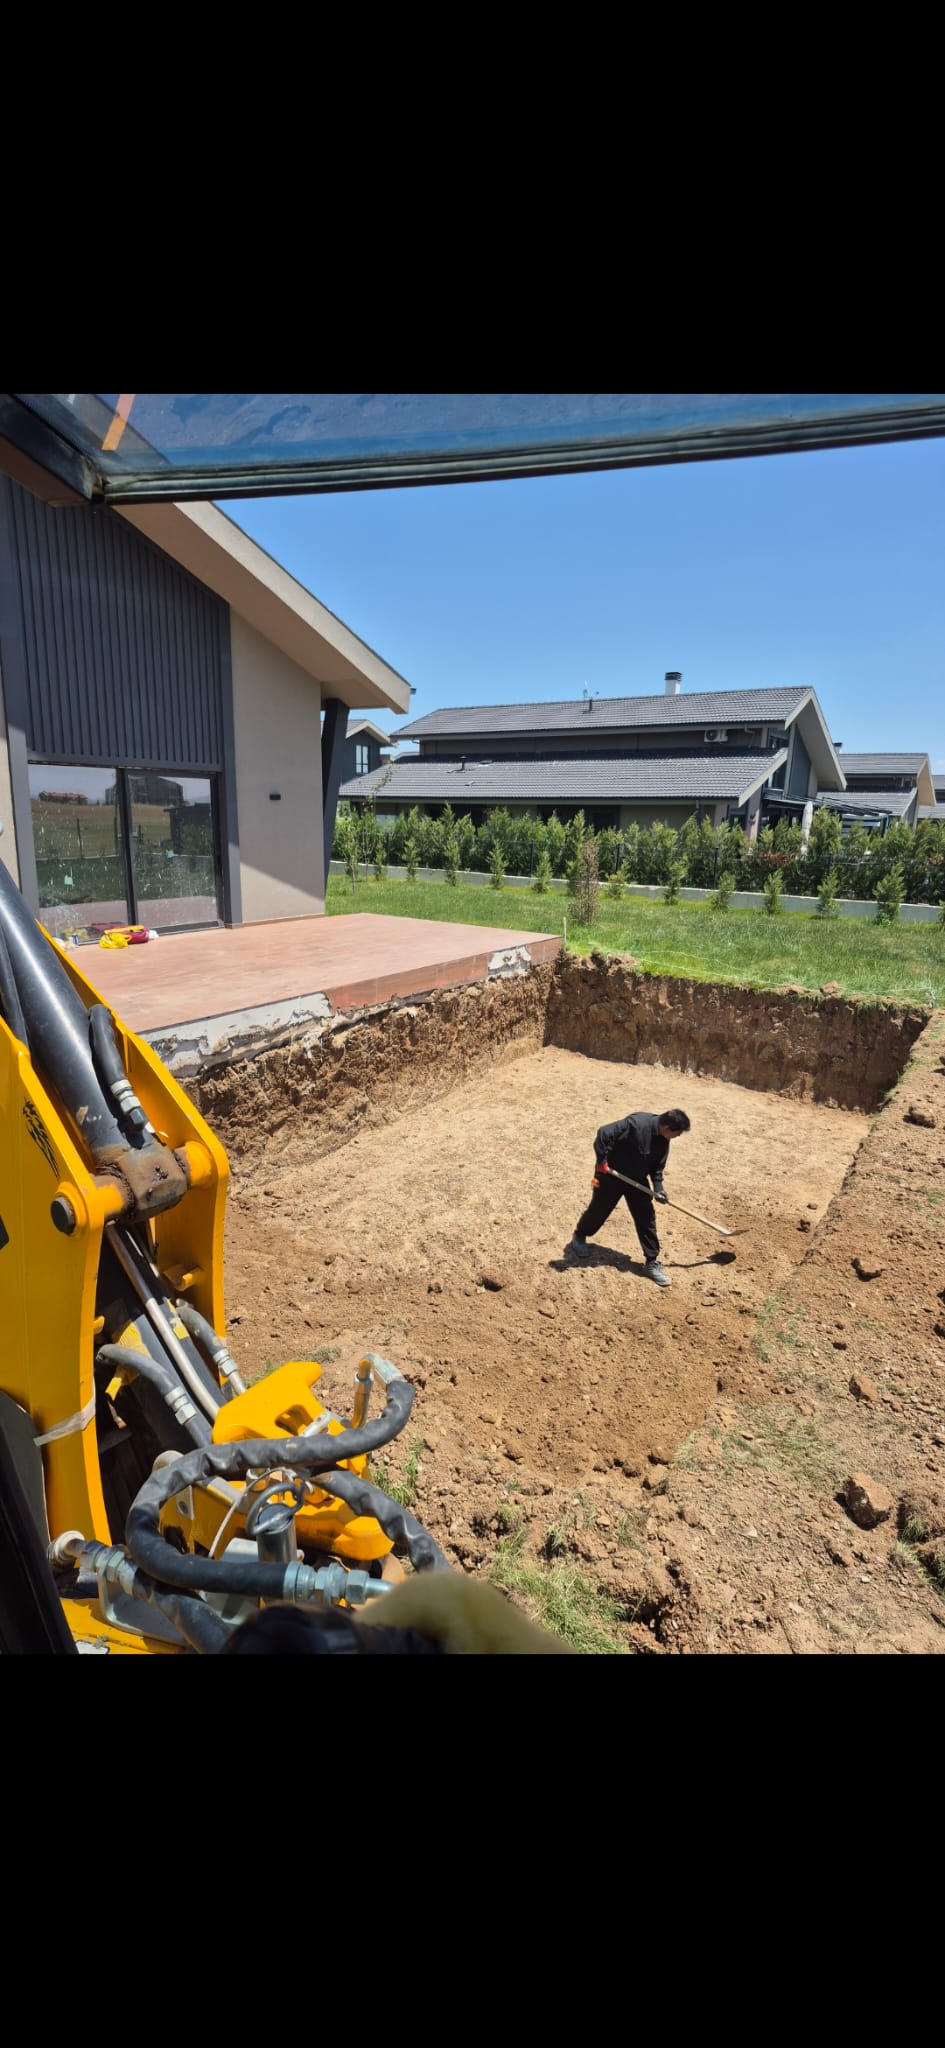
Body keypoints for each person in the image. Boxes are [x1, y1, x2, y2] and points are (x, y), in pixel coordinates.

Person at [565, 1108, 691, 1286]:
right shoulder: (636, 1124)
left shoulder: (664, 1139)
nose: (677, 1137)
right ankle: (579, 1235)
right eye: (676, 1133)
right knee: (599, 1209)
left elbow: (657, 1167)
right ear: (666, 1126)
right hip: (611, 1174)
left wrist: (658, 1188)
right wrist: (601, 1162)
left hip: (636, 1180)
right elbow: (603, 1133)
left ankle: (651, 1261)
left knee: (646, 1216)